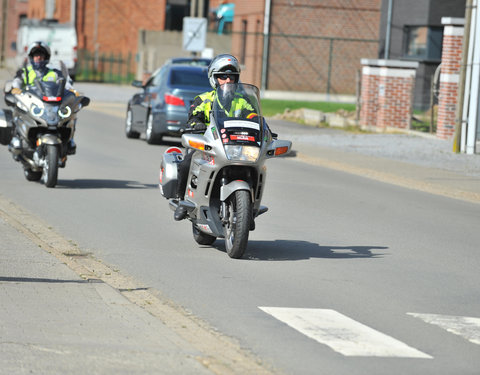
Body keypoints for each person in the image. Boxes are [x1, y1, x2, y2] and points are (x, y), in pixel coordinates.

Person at [174, 53, 257, 221]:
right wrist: (195, 126)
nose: (227, 81)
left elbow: (254, 118)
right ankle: (181, 200)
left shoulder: (243, 101)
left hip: (234, 146)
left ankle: (249, 208)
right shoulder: (203, 100)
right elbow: (193, 118)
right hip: (209, 145)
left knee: (256, 166)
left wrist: (265, 131)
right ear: (214, 78)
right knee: (186, 163)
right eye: (222, 77)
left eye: (231, 77)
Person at [10, 41, 78, 154]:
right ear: (31, 57)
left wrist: (72, 91)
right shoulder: (24, 72)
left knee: (71, 112)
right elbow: (16, 83)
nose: (38, 58)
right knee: (17, 109)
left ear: (46, 58)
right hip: (31, 104)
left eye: (41, 55)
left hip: (49, 106)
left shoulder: (54, 73)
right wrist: (15, 89)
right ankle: (17, 137)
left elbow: (66, 84)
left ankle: (70, 140)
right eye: (36, 55)